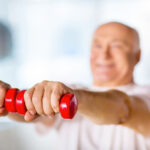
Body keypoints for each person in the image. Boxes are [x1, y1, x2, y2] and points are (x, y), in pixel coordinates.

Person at [1, 22, 150, 150]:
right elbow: (30, 111)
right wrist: (5, 99)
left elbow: (122, 108)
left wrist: (75, 98)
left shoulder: (145, 96)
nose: (104, 55)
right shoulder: (70, 90)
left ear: (137, 56)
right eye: (97, 45)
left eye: (117, 46)